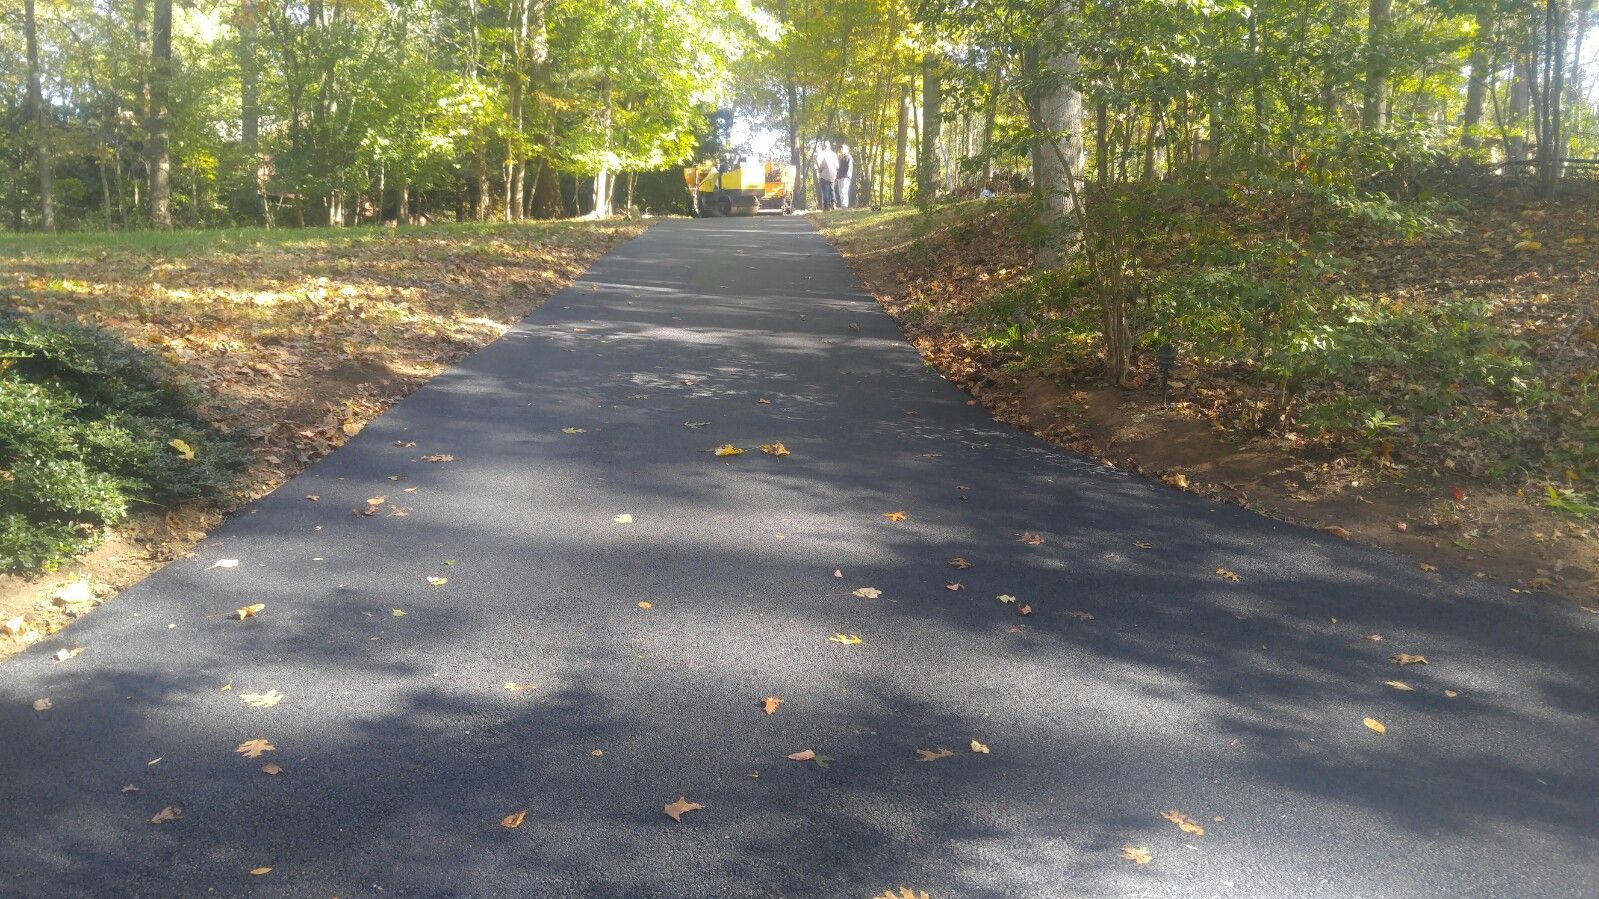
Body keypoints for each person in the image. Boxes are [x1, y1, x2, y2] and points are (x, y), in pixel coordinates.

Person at [815, 141, 839, 211]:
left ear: (824, 146)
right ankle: (834, 204)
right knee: (832, 189)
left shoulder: (822, 154)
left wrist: (819, 171)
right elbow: (837, 165)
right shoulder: (834, 154)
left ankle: (826, 206)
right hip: (832, 175)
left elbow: (819, 164)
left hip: (824, 174)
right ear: (830, 146)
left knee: (825, 190)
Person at [835, 144, 853, 209]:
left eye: (843, 149)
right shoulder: (841, 158)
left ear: (846, 150)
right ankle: (843, 205)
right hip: (840, 177)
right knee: (840, 192)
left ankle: (844, 205)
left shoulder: (849, 157)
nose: (841, 150)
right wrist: (837, 176)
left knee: (844, 191)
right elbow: (838, 168)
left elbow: (849, 167)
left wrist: (847, 177)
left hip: (845, 177)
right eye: (841, 149)